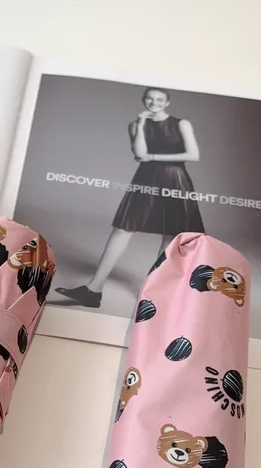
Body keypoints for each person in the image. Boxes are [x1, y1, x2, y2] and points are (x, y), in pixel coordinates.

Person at [55, 87, 205, 308]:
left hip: (175, 179)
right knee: (122, 229)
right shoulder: (135, 125)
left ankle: (153, 294)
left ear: (167, 103)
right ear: (144, 100)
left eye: (159, 100)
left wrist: (153, 157)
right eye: (150, 99)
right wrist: (141, 124)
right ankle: (93, 289)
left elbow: (193, 155)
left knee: (170, 236)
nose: (154, 103)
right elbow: (139, 154)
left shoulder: (182, 124)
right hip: (146, 178)